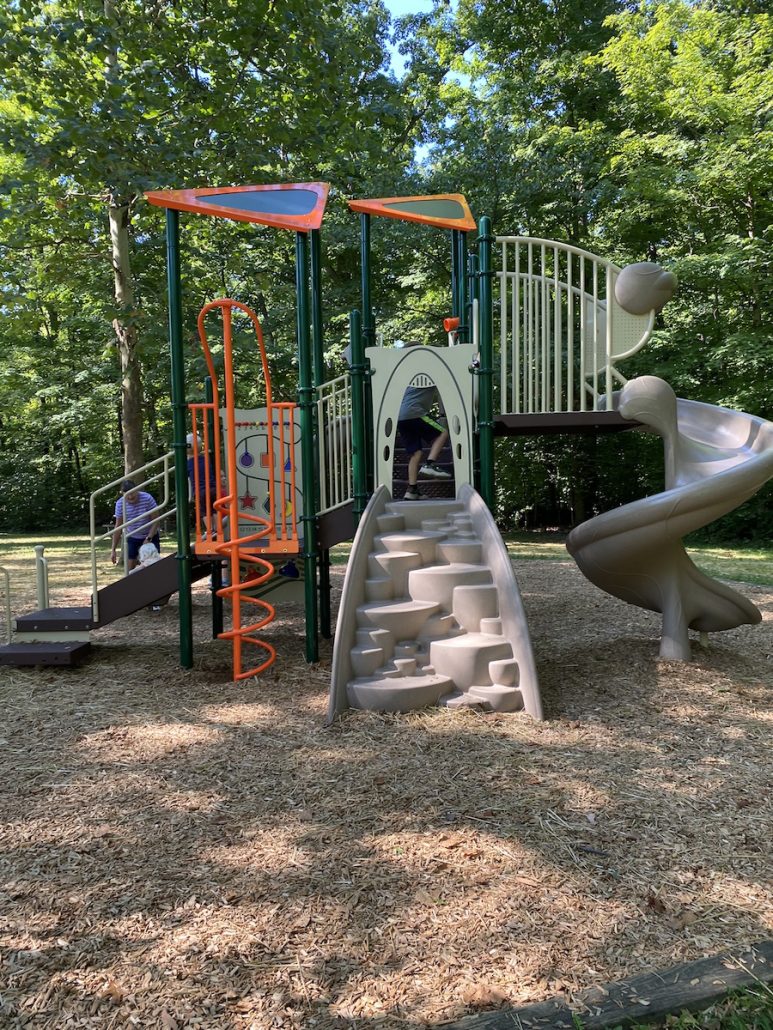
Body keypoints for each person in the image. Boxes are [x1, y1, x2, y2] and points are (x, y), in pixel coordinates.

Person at [397, 374, 453, 501]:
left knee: (415, 453)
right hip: (414, 412)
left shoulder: (412, 376)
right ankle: (429, 464)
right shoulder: (431, 373)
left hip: (400, 416)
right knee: (443, 433)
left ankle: (412, 490)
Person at [110, 480, 162, 572]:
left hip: (150, 534)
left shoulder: (147, 498)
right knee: (130, 563)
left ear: (137, 490)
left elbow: (156, 520)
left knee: (154, 563)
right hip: (133, 535)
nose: (130, 497)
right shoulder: (120, 504)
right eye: (127, 495)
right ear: (122, 494)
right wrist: (113, 549)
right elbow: (118, 527)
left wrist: (148, 538)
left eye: (132, 493)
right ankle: (129, 582)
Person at [186, 432, 218, 538]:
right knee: (214, 509)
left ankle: (210, 530)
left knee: (205, 511)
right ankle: (218, 529)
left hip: (200, 491)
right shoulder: (206, 459)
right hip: (213, 488)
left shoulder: (188, 463)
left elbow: (187, 475)